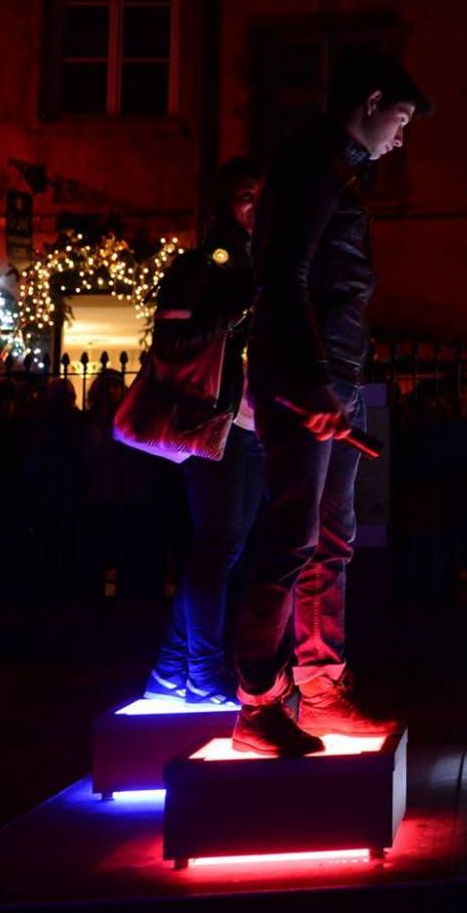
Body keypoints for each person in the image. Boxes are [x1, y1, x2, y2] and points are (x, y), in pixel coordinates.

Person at [232, 54, 431, 755]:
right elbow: (282, 278)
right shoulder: (316, 166)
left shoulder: (327, 168)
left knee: (325, 540)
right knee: (294, 537)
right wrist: (315, 379)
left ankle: (317, 692)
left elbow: (299, 278)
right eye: (400, 119)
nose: (401, 135)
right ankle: (260, 703)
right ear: (371, 101)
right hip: (311, 380)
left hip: (328, 378)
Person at [145, 158, 264, 705]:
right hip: (215, 422)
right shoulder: (204, 266)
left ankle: (173, 673)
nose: (257, 206)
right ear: (225, 203)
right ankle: (203, 673)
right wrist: (235, 307)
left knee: (222, 549)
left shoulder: (262, 260)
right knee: (217, 549)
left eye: (265, 196)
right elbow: (169, 344)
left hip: (249, 424)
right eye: (246, 195)